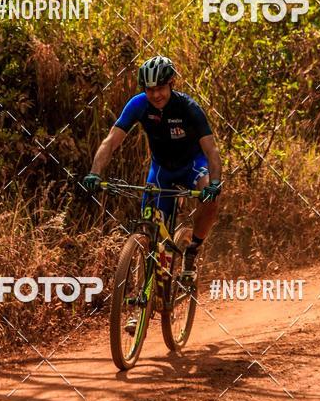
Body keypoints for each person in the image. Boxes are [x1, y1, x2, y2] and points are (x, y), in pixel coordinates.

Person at [83, 55, 222, 283]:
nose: (155, 95)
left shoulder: (188, 108)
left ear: (171, 84)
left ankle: (192, 250)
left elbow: (212, 151)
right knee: (149, 230)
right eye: (149, 89)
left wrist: (215, 183)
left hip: (192, 165)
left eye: (160, 88)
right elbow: (110, 141)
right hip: (161, 170)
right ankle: (143, 301)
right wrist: (94, 172)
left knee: (210, 198)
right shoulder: (138, 105)